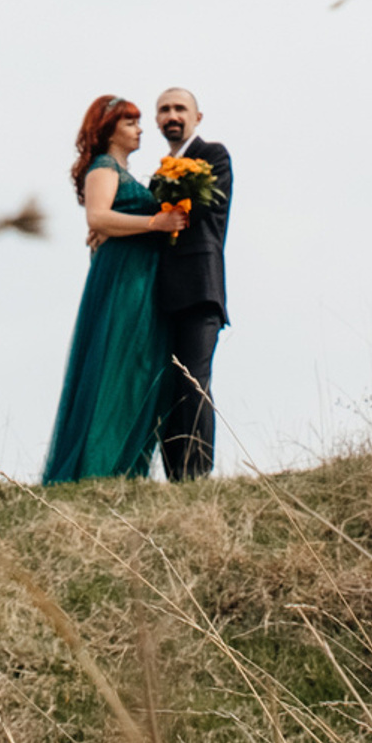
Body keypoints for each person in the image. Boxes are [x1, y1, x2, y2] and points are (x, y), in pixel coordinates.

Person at [41, 95, 186, 485]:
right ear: (109, 130)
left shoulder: (125, 173)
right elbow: (98, 216)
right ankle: (97, 467)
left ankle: (125, 468)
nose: (140, 130)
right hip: (122, 278)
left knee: (140, 366)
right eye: (130, 123)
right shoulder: (103, 168)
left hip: (140, 276)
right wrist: (155, 224)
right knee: (116, 363)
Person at [151, 86, 232, 481]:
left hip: (200, 290)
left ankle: (197, 474)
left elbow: (205, 208)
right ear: (157, 120)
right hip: (161, 296)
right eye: (165, 110)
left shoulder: (213, 156)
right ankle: (175, 476)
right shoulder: (157, 174)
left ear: (197, 117)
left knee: (193, 381)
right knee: (166, 386)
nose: (172, 115)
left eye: (180, 108)